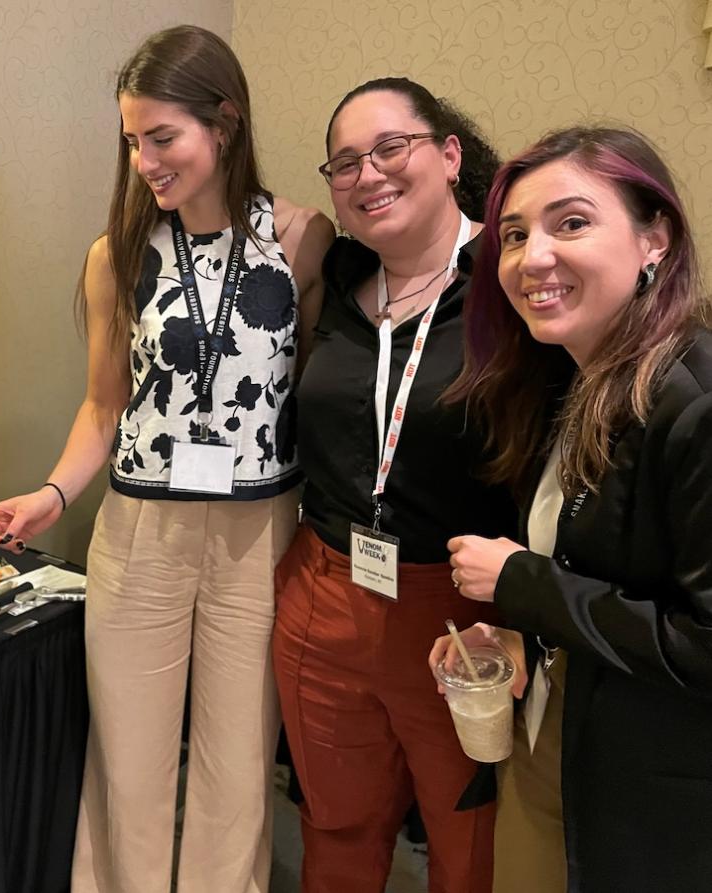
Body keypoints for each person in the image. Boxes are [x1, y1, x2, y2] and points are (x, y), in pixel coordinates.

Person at [0, 25, 333, 893]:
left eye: (162, 138)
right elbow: (103, 403)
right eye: (131, 142)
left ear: (225, 122)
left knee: (238, 770)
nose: (144, 163)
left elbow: (307, 391)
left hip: (259, 535)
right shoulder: (117, 255)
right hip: (140, 532)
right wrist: (56, 492)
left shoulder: (302, 240)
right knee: (128, 760)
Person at [430, 126, 712, 892]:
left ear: (655, 238)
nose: (534, 257)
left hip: (650, 799)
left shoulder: (695, 404)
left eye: (572, 222)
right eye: (515, 235)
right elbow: (600, 565)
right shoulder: (573, 377)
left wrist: (526, 586)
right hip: (559, 739)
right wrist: (521, 626)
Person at [272, 77, 516, 893]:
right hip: (324, 593)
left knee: (469, 845)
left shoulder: (512, 280)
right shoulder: (339, 280)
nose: (367, 173)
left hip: (461, 618)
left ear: (450, 155)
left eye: (390, 148)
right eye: (344, 163)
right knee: (335, 827)